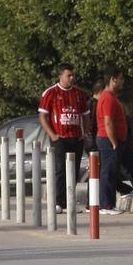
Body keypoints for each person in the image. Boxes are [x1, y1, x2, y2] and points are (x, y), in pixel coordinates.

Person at [95, 67, 133, 214]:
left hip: (120, 141)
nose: (122, 82)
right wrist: (114, 142)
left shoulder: (112, 98)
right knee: (110, 172)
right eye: (121, 79)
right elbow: (108, 122)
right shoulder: (107, 98)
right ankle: (106, 205)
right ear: (113, 79)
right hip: (110, 141)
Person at [38, 63, 89, 213]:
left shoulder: (79, 94)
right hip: (59, 138)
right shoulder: (50, 93)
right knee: (60, 170)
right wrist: (53, 135)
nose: (72, 78)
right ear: (60, 76)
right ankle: (58, 202)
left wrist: (84, 133)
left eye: (73, 75)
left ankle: (69, 202)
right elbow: (43, 116)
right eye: (68, 75)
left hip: (76, 138)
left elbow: (86, 116)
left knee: (73, 171)